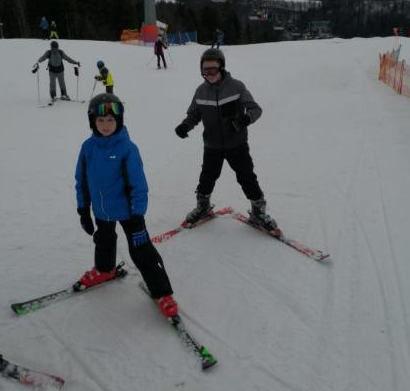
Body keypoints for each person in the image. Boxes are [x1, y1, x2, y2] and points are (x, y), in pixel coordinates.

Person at [75, 93, 178, 318]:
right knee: (103, 241)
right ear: (92, 121)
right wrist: (83, 210)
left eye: (110, 120)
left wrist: (138, 217)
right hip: (101, 211)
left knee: (142, 251)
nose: (105, 125)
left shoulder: (127, 149)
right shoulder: (88, 148)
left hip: (129, 213)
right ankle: (105, 269)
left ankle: (162, 292)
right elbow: (81, 180)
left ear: (119, 120)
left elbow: (138, 185)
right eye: (100, 120)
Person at [174, 48, 277, 230]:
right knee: (207, 178)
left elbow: (255, 109)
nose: (209, 74)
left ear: (221, 67)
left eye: (213, 69)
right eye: (205, 70)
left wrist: (244, 120)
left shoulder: (236, 87)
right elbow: (194, 114)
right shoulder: (201, 91)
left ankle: (258, 212)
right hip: (212, 146)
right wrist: (185, 126)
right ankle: (203, 207)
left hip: (237, 144)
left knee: (247, 177)